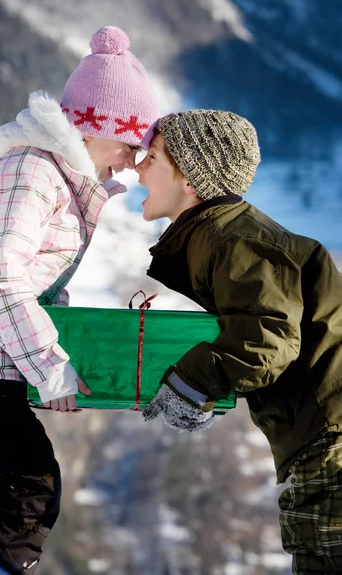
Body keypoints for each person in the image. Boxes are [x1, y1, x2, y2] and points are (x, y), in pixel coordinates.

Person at [0, 25, 159, 573]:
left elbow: (24, 278)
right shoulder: (31, 174)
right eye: (130, 143)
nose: (133, 162)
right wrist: (49, 365)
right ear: (91, 129)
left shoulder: (55, 180)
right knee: (28, 489)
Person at [136, 109, 342, 574]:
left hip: (332, 444)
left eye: (151, 157)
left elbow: (267, 338)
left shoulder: (230, 238)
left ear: (190, 177)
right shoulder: (223, 233)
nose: (137, 166)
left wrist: (190, 385)